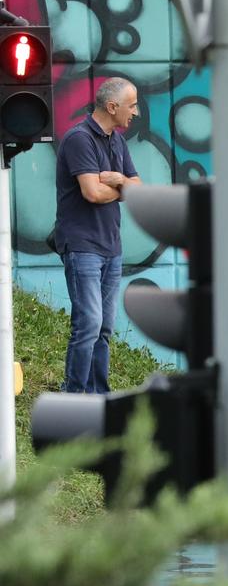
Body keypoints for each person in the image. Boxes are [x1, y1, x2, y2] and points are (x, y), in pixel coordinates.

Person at [55, 77, 140, 394]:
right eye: (132, 105)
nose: (136, 112)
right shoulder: (79, 139)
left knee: (103, 327)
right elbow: (91, 192)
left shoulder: (117, 141)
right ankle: (73, 396)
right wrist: (123, 189)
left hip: (111, 247)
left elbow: (138, 188)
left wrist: (117, 180)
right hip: (82, 247)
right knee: (88, 324)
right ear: (112, 106)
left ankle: (98, 397)